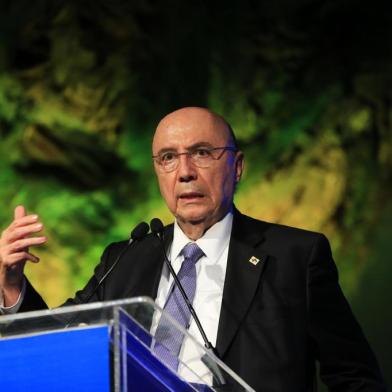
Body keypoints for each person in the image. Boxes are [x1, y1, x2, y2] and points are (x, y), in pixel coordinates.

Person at [0, 107, 386, 391]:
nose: (184, 171)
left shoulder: (295, 257)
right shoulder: (125, 259)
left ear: (236, 167)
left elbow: (355, 377)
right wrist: (13, 286)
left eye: (202, 152)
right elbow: (54, 346)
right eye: (168, 158)